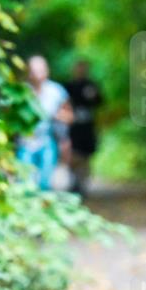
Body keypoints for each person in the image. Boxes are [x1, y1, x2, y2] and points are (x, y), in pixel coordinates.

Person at [18, 55, 73, 191]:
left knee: (45, 181)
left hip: (48, 139)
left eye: (40, 70)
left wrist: (57, 116)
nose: (37, 74)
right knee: (25, 181)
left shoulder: (56, 91)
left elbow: (70, 116)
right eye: (33, 70)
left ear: (47, 71)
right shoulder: (21, 90)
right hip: (24, 141)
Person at [64, 59, 103, 196]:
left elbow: (100, 101)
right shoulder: (68, 86)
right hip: (73, 126)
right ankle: (74, 181)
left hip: (87, 127)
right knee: (73, 153)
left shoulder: (91, 85)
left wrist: (93, 96)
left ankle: (82, 183)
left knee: (85, 155)